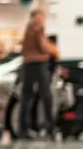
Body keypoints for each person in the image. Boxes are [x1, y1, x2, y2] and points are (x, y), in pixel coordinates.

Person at [20, 9, 56, 140]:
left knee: (26, 97)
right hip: (39, 64)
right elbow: (42, 45)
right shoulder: (39, 25)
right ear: (39, 16)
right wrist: (51, 49)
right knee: (46, 95)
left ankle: (23, 128)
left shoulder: (28, 27)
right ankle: (50, 127)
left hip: (27, 64)